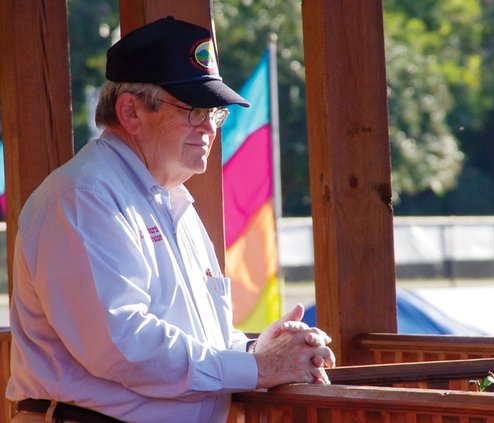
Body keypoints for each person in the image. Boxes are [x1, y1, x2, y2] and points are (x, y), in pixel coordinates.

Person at [6, 16, 335, 423]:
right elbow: (122, 346)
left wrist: (255, 351)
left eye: (216, 113)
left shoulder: (170, 200)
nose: (209, 128)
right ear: (131, 112)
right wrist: (257, 369)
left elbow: (193, 340)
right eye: (195, 110)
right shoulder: (84, 196)